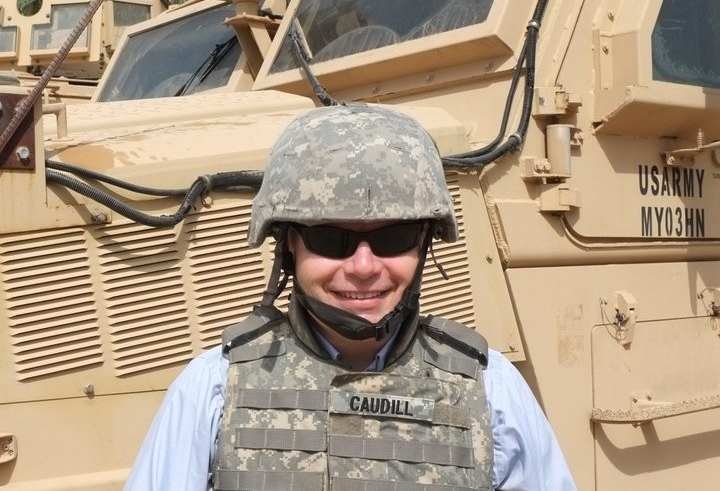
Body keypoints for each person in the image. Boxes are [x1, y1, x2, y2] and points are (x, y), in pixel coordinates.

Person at [123, 104, 577, 491]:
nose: (363, 267)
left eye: (394, 236)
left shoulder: (491, 391)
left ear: (424, 244)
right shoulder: (213, 390)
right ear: (289, 245)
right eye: (331, 238)